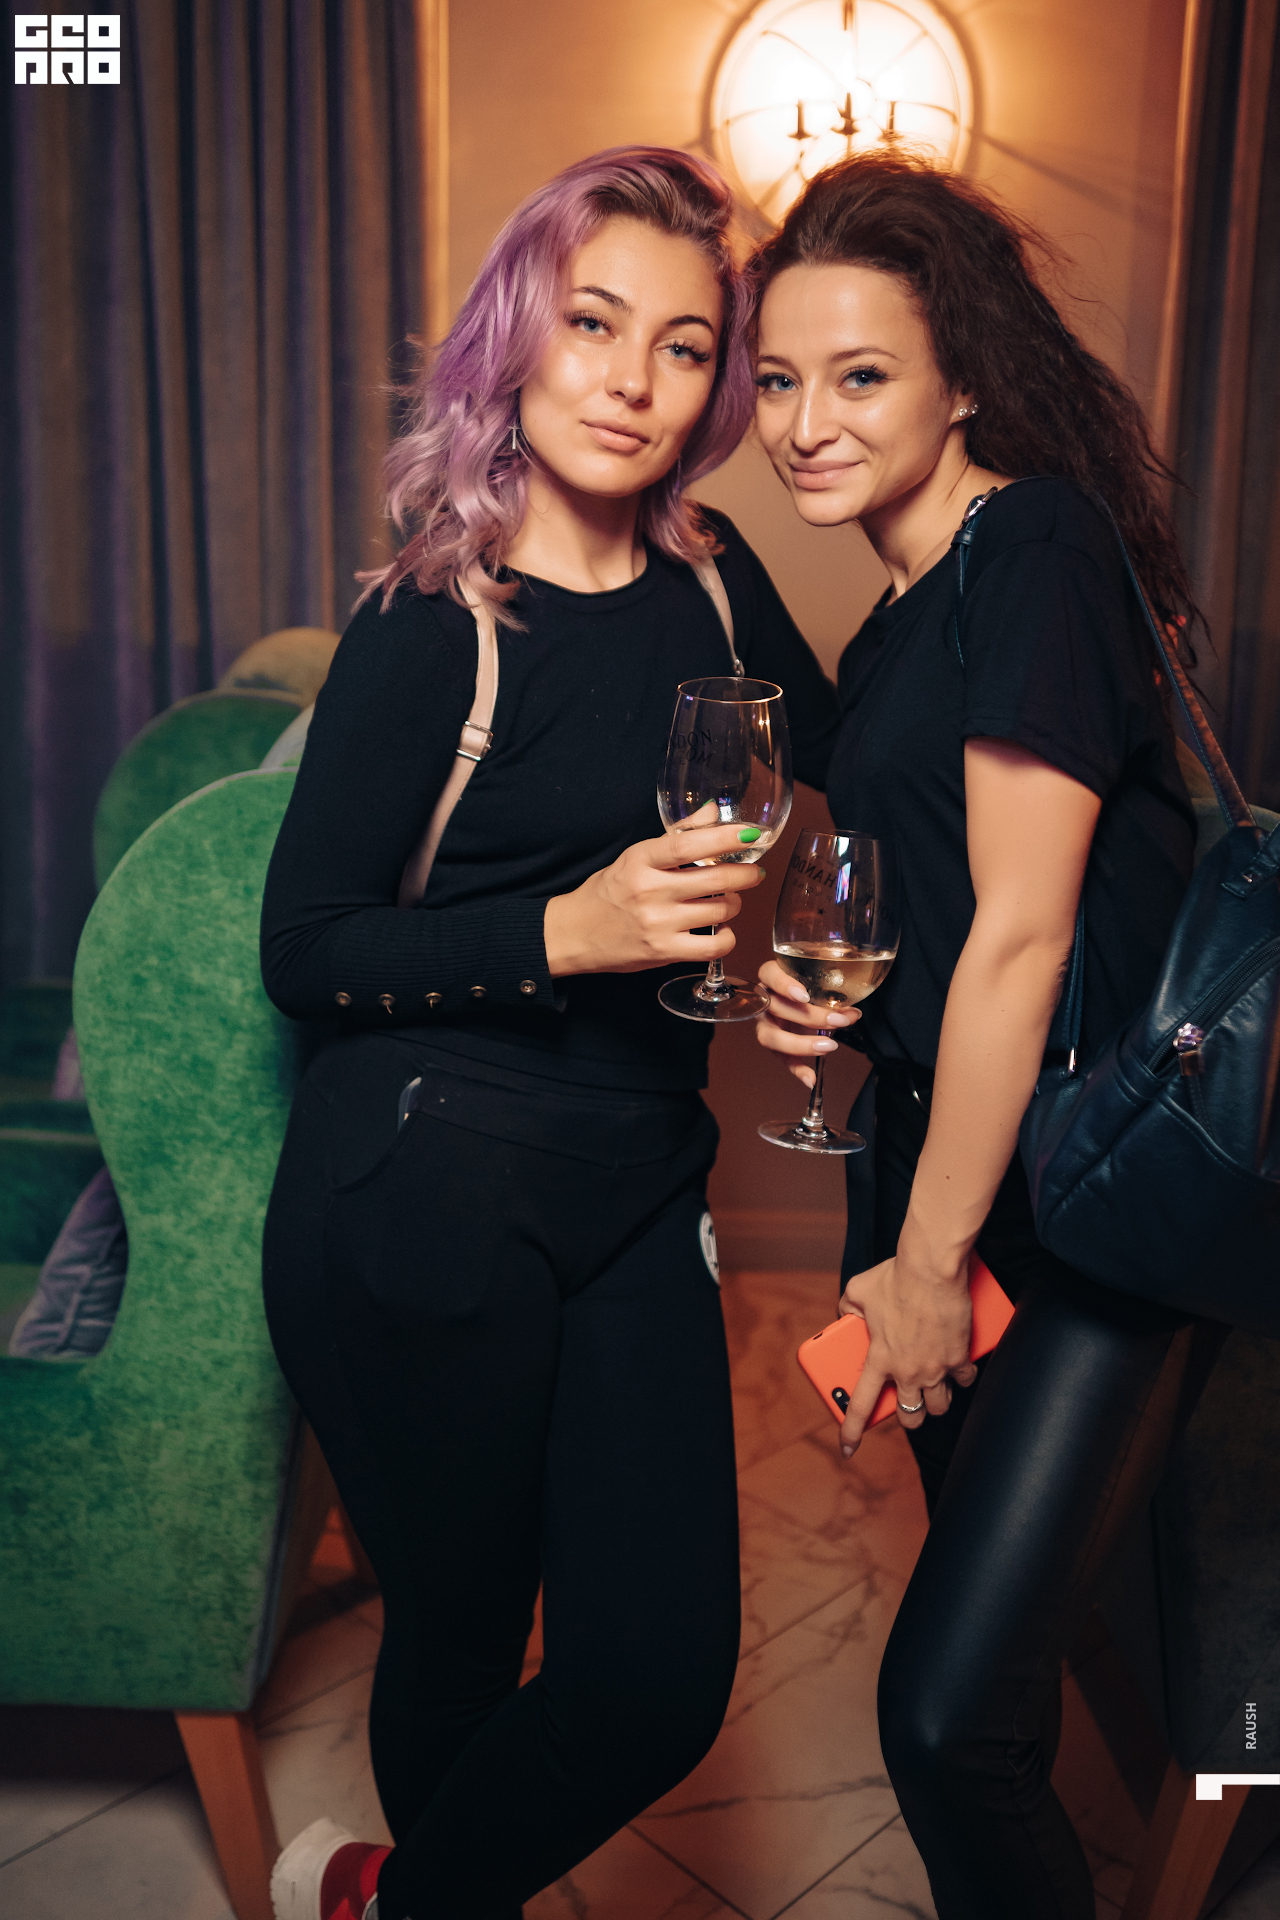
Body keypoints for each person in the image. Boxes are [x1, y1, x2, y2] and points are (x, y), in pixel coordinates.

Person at [259, 146, 839, 1920]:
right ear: (518, 333)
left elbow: (853, 767)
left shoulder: (719, 582)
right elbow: (304, 948)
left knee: (652, 1676)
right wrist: (562, 933)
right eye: (593, 324)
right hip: (420, 1189)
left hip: (639, 1185)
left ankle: (380, 1898)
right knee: (458, 1626)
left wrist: (823, 944)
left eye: (683, 346)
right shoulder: (431, 619)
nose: (631, 382)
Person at [750, 152, 1223, 1919]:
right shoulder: (901, 608)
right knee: (1003, 1696)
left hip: (1079, 1206)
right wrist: (838, 1008)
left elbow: (1030, 933)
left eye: (860, 375)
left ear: (964, 381)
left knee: (950, 1724)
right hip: (947, 1176)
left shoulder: (1033, 546)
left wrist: (932, 1260)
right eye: (777, 379)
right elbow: (943, 916)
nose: (804, 423)